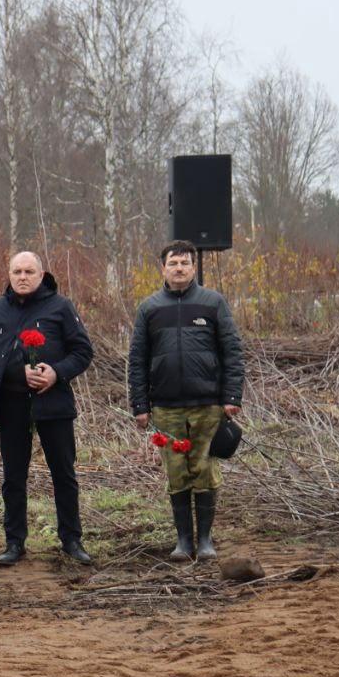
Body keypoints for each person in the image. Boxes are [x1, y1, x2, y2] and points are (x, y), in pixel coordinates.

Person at [0, 252, 94, 566]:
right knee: (13, 476)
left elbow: (82, 351)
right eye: (17, 272)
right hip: (12, 404)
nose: (22, 277)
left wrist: (57, 372)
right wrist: (16, 371)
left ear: (41, 274)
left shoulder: (60, 307)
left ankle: (71, 540)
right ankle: (14, 542)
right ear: (9, 274)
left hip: (54, 403)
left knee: (63, 474)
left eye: (29, 271)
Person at [129, 240, 245, 562]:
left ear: (194, 267)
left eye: (184, 263)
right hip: (166, 407)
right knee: (177, 472)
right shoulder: (149, 308)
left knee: (205, 470)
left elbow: (232, 351)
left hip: (208, 405)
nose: (179, 268)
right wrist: (140, 405)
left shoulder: (213, 302)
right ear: (162, 268)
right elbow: (137, 359)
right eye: (173, 263)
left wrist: (231, 396)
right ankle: (183, 541)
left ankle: (205, 540)